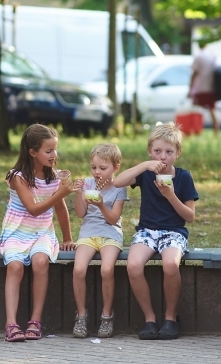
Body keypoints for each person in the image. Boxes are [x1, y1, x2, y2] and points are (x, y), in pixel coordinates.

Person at [116, 123, 198, 340]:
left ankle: (171, 318)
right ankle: (149, 318)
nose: (163, 157)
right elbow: (117, 182)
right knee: (133, 265)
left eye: (169, 152)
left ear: (177, 153)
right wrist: (144, 166)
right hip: (147, 231)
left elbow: (190, 217)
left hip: (174, 231)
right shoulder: (145, 174)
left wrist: (171, 195)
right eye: (157, 152)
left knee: (170, 264)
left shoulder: (183, 177)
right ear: (150, 151)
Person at [0, 124, 76, 342]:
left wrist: (68, 238)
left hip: (42, 232)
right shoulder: (18, 177)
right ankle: (11, 323)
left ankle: (35, 320)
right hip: (16, 231)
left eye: (55, 150)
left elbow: (60, 209)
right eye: (49, 151)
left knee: (40, 262)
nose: (54, 155)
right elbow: (33, 209)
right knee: (14, 266)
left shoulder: (54, 177)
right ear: (33, 152)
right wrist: (60, 193)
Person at [71, 143, 129, 338]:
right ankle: (81, 316)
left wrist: (102, 205)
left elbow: (113, 219)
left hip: (110, 233)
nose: (97, 172)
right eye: (94, 167)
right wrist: (79, 194)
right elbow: (80, 214)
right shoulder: (87, 184)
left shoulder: (119, 188)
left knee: (107, 269)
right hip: (88, 233)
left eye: (103, 168)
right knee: (79, 269)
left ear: (116, 167)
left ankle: (106, 316)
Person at [188, 45, 219, 135]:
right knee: (213, 111)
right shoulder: (212, 56)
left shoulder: (198, 57)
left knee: (195, 111)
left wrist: (190, 89)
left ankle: (195, 132)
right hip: (211, 88)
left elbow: (194, 74)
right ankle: (215, 134)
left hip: (200, 88)